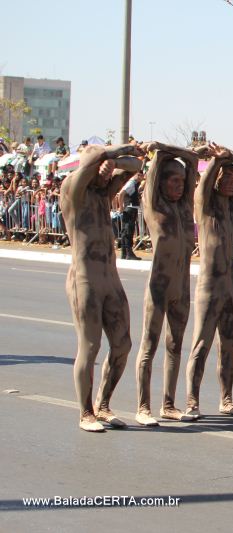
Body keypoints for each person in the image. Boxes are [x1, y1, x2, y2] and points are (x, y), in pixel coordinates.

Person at [61, 142, 144, 431]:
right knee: (91, 345)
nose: (107, 173)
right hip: (85, 278)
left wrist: (114, 161)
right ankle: (85, 412)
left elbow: (137, 166)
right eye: (101, 166)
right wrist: (108, 155)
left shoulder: (103, 193)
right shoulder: (73, 190)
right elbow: (90, 164)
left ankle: (104, 404)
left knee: (123, 344)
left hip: (111, 278)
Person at [185, 146, 233, 418]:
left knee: (228, 346)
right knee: (201, 346)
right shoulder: (205, 205)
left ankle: (226, 399)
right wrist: (218, 159)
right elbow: (204, 183)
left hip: (231, 286)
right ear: (215, 179)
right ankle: (192, 401)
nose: (230, 181)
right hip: (209, 286)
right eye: (224, 177)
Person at [133, 142, 201, 426]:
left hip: (182, 290)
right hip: (158, 289)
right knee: (149, 347)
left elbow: (193, 159)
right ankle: (143, 407)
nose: (178, 186)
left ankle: (169, 404)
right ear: (160, 182)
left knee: (175, 346)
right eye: (174, 180)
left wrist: (183, 159)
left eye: (182, 182)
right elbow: (158, 159)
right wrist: (160, 149)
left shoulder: (185, 209)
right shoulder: (154, 205)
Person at [117, 170, 144, 260]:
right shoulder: (131, 183)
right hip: (130, 208)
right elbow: (121, 194)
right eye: (140, 176)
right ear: (137, 175)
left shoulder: (134, 184)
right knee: (128, 231)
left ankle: (124, 253)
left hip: (130, 208)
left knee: (125, 231)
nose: (142, 178)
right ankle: (129, 253)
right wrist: (121, 207)